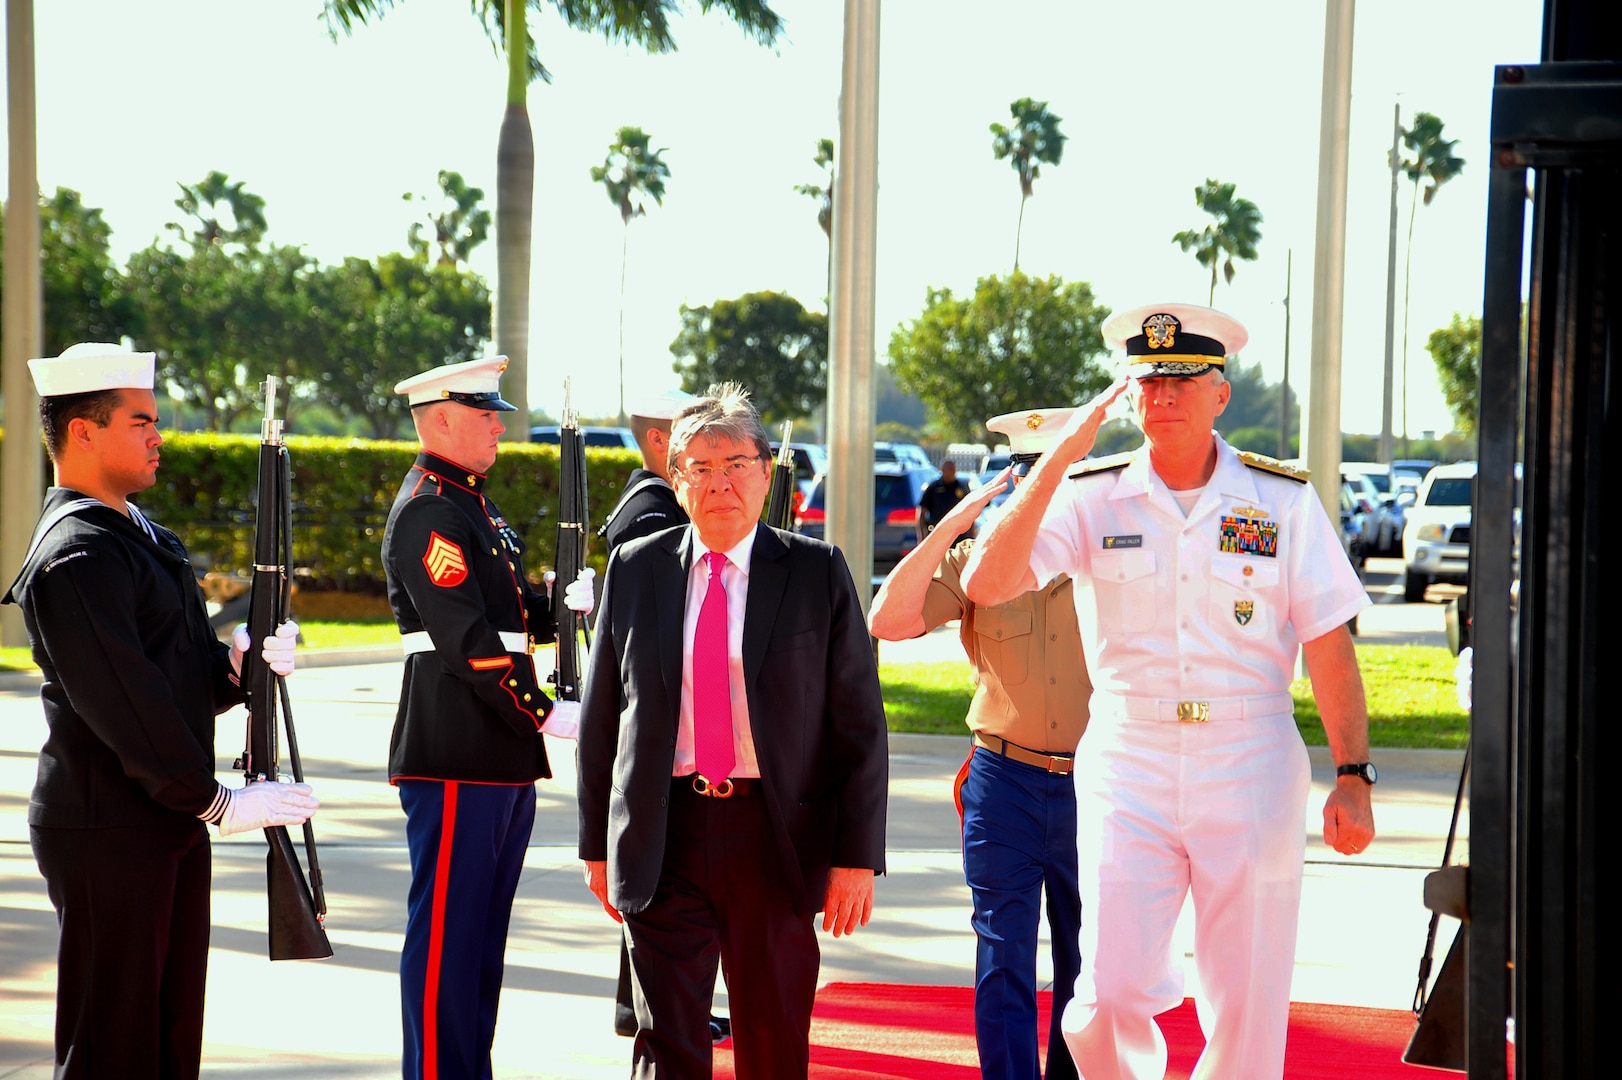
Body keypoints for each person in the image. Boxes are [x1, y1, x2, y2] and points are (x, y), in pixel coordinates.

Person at [962, 303, 1378, 1080]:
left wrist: (1353, 774)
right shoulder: (1091, 493)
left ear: (1221, 393)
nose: (1164, 395)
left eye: (1184, 379)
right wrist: (1056, 459)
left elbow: (1326, 639)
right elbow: (987, 583)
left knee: (1248, 995)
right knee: (1110, 992)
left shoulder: (1281, 501)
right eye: (1149, 380)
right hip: (1131, 755)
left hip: (1250, 755)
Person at [2, 342, 316, 1080]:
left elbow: (180, 677)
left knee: (168, 1038)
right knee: (113, 1043)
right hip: (109, 823)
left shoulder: (142, 538)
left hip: (157, 819)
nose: (158, 436)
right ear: (83, 431)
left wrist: (242, 669)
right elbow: (128, 707)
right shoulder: (76, 555)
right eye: (140, 421)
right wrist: (215, 800)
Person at [577, 383, 889, 1079]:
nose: (720, 484)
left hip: (774, 837)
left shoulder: (813, 571)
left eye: (736, 465)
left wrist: (856, 856)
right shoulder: (636, 568)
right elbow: (605, 715)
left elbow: (860, 724)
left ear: (766, 470)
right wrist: (597, 844)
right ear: (676, 479)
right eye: (701, 468)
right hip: (666, 833)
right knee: (668, 1042)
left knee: (773, 1036)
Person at [382, 355, 595, 1080]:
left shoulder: (473, 505)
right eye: (484, 413)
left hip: (496, 750)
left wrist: (562, 609)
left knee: (481, 941)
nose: (499, 425)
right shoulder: (428, 510)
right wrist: (541, 711)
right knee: (447, 939)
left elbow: (506, 618)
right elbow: (467, 643)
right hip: (455, 748)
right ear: (440, 419)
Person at [870, 408, 1090, 1080]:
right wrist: (947, 530)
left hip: (1101, 783)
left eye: (1052, 478)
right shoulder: (976, 563)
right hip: (1006, 782)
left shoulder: (1113, 559)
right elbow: (887, 618)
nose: (1037, 494)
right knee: (1004, 957)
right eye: (1026, 479)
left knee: (1092, 966)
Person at [917, 459, 973, 545]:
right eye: (949, 469)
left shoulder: (962, 487)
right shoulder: (933, 488)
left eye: (953, 469)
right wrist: (922, 537)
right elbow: (922, 513)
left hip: (959, 536)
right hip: (937, 535)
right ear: (942, 470)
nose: (952, 472)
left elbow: (970, 512)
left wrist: (972, 536)